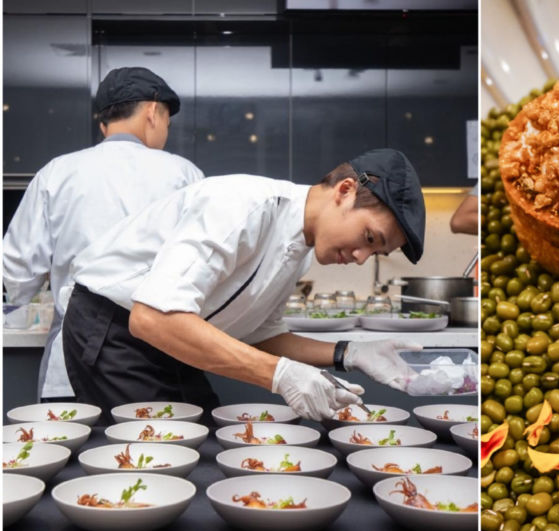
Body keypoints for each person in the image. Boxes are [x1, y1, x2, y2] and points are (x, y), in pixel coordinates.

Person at [61, 149, 426, 421]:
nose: (362, 257)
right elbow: (151, 318)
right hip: (113, 330)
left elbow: (257, 335)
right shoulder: (242, 206)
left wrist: (348, 353)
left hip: (175, 338)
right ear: (345, 190)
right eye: (369, 237)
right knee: (162, 450)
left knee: (201, 437)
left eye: (375, 252)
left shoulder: (300, 251)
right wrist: (279, 375)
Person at [3, 67, 203, 402]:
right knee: (158, 450)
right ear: (154, 111)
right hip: (161, 361)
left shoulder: (56, 173)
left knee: (69, 452)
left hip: (72, 364)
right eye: (168, 120)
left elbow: (17, 275)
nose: (166, 129)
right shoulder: (184, 175)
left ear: (103, 126)